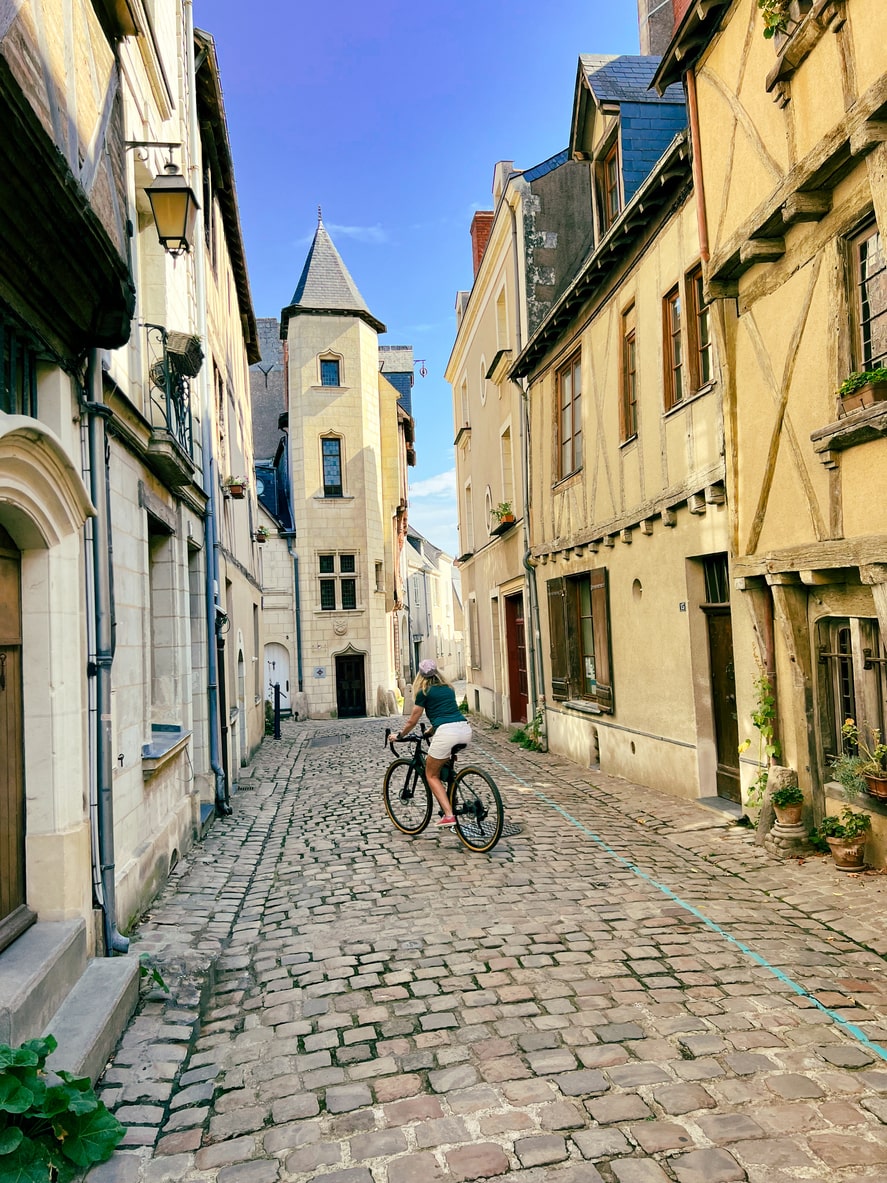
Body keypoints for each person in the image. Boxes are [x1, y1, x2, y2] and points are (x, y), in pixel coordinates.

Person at [394, 659, 471, 826]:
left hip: (446, 733)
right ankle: (452, 797)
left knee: (431, 774)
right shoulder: (448, 689)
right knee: (445, 765)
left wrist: (399, 736)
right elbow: (446, 714)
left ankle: (449, 815)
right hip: (464, 729)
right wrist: (430, 731)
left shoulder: (424, 692)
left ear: (420, 676)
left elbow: (412, 721)